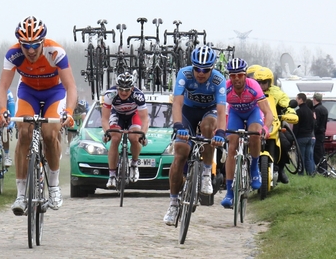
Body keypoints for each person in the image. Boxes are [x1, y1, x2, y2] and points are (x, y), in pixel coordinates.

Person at [0, 16, 77, 216]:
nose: (31, 51)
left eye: (35, 45)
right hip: (28, 93)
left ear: (42, 42)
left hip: (54, 93)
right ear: (20, 44)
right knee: (24, 133)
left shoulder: (55, 52)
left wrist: (68, 112)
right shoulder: (13, 54)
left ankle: (55, 187)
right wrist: (3, 111)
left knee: (50, 134)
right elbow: (3, 87)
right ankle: (21, 195)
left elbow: (70, 86)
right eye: (26, 46)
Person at [163, 45, 226, 225]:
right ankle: (174, 204)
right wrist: (177, 125)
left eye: (205, 70)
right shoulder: (185, 74)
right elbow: (177, 104)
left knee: (208, 127)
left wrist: (220, 132)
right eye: (197, 68)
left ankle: (206, 173)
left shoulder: (218, 80)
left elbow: (221, 112)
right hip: (187, 112)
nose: (200, 73)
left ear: (212, 69)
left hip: (209, 111)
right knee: (180, 152)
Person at [221, 58, 273, 208]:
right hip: (235, 114)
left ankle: (254, 168)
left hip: (252, 113)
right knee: (232, 147)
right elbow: (218, 110)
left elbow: (268, 113)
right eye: (233, 76)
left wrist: (266, 128)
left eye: (240, 75)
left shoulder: (253, 86)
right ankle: (229, 193)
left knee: (255, 134)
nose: (236, 78)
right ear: (229, 77)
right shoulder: (226, 88)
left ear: (245, 75)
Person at [101, 72, 149, 189]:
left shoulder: (138, 95)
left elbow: (145, 119)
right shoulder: (109, 95)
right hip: (117, 114)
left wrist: (143, 134)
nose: (123, 92)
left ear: (132, 89)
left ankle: (134, 164)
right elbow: (104, 118)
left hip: (133, 114)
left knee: (134, 137)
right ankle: (112, 175)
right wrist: (107, 132)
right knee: (115, 138)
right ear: (117, 87)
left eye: (126, 90)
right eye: (120, 89)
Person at [253, 66, 298, 184]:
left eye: (264, 82)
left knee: (286, 141)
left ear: (270, 82)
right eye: (259, 82)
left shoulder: (277, 93)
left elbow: (287, 105)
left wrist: (290, 113)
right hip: (254, 124)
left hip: (273, 125)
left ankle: (281, 168)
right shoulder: (250, 91)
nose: (262, 85)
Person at [294, 93, 315, 175]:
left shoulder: (298, 111)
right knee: (308, 157)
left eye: (297, 99)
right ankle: (310, 173)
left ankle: (301, 173)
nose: (296, 101)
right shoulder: (310, 111)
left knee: (300, 157)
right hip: (309, 136)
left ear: (301, 100)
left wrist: (294, 138)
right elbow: (313, 124)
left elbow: (296, 126)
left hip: (301, 137)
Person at [312, 92, 328, 174]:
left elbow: (316, 123)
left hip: (317, 134)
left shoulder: (317, 110)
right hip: (322, 133)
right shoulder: (324, 109)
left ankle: (320, 170)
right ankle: (324, 168)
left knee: (317, 153)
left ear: (314, 99)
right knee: (322, 152)